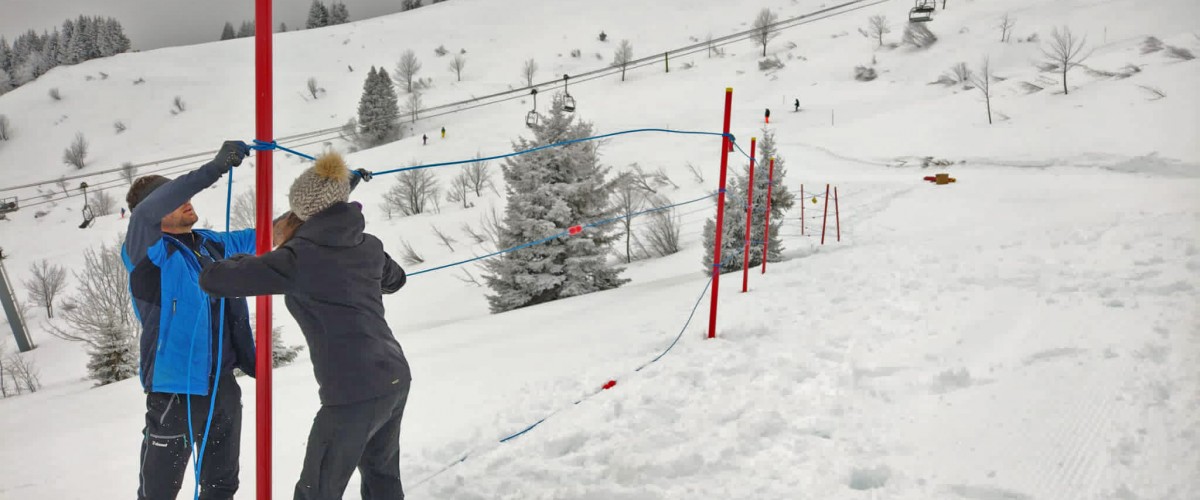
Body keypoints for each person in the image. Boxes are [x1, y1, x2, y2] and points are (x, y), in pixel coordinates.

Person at [199, 152, 411, 500]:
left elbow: (215, 280)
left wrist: (248, 252)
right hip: (394, 377)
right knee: (381, 478)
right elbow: (396, 279)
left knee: (316, 491)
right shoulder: (368, 245)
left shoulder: (298, 258)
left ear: (299, 214)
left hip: (353, 392)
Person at [123, 140, 257, 500]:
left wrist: (327, 204)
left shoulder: (210, 243)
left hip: (223, 385)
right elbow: (148, 212)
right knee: (159, 492)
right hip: (174, 391)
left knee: (222, 485)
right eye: (169, 196)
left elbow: (270, 236)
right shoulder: (147, 251)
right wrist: (214, 169)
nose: (184, 199)